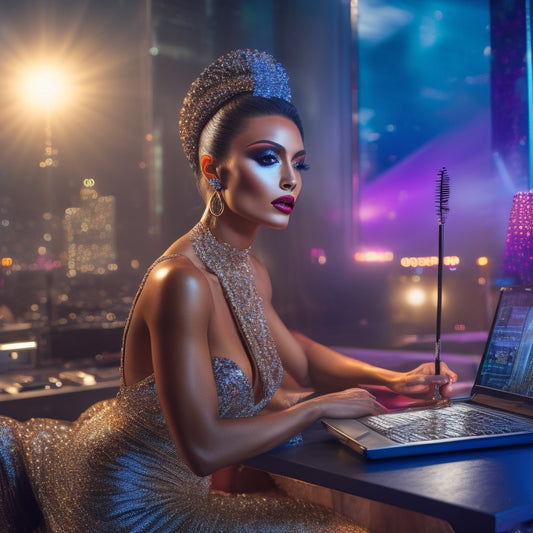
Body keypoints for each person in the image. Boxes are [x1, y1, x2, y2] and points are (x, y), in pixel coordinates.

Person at [0, 49, 457, 532]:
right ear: (214, 169)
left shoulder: (249, 269)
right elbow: (202, 450)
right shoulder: (180, 280)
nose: (290, 180)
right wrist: (317, 407)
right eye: (267, 158)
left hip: (172, 484)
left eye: (299, 164)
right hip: (129, 500)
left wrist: (394, 378)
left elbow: (297, 359)